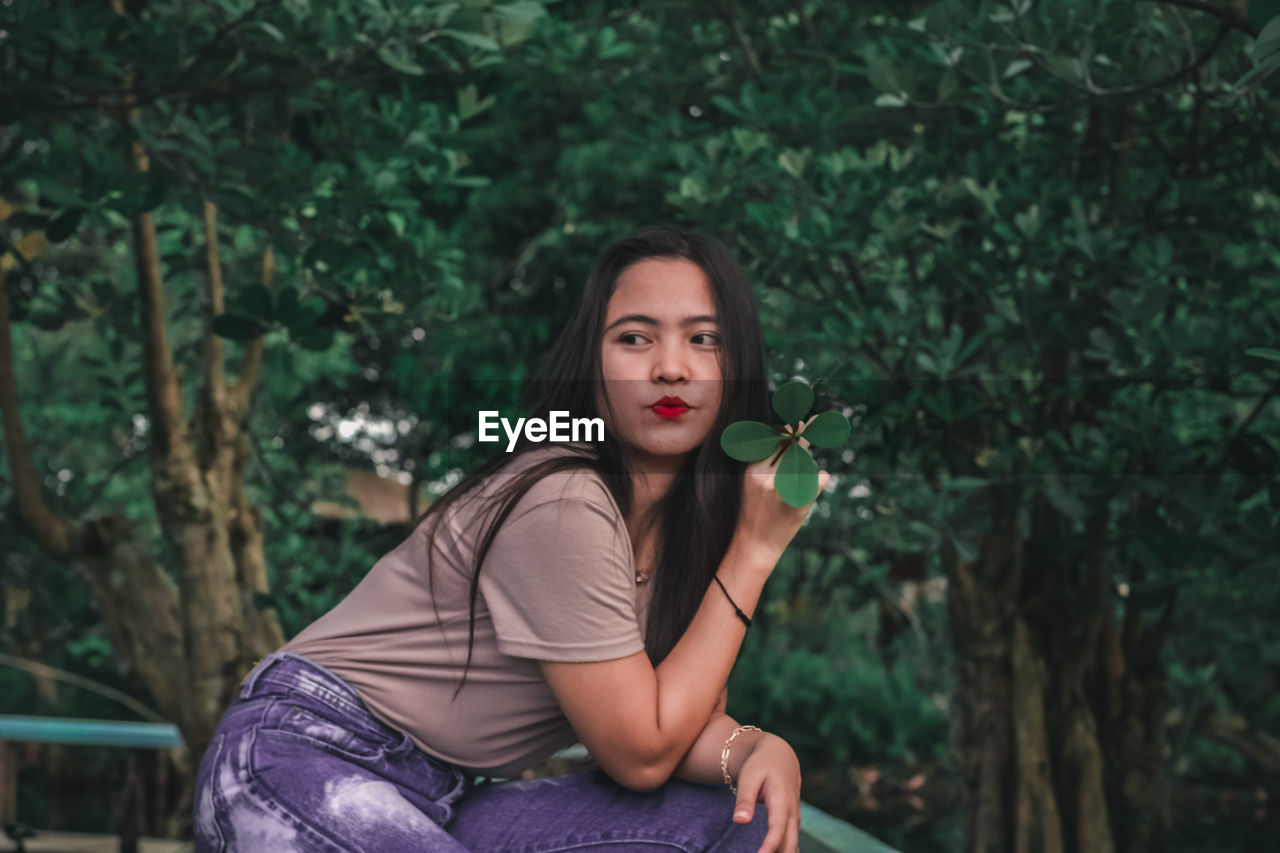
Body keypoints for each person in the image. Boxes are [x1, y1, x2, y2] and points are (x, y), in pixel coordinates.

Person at [193, 225, 830, 853]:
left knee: (733, 817)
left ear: (738, 367)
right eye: (635, 338)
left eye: (704, 340)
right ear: (593, 366)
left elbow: (675, 723)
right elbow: (640, 754)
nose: (670, 367)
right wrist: (755, 552)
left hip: (445, 795)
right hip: (302, 754)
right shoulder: (563, 500)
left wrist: (753, 747)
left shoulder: (687, 536)